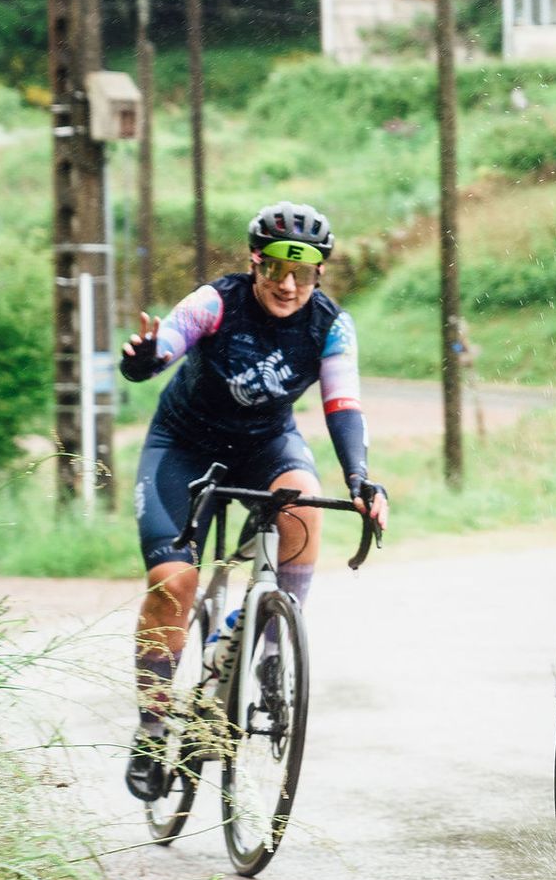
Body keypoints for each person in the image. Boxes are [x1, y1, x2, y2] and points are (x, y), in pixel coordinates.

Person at [119, 202, 389, 801]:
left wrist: (359, 479)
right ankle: (152, 727)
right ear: (254, 263)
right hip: (184, 447)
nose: (288, 285)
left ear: (319, 272)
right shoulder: (218, 301)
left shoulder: (330, 324)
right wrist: (146, 357)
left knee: (304, 506)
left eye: (303, 272)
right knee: (173, 582)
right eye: (274, 270)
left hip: (265, 445)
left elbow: (344, 404)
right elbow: (166, 342)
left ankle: (269, 647)